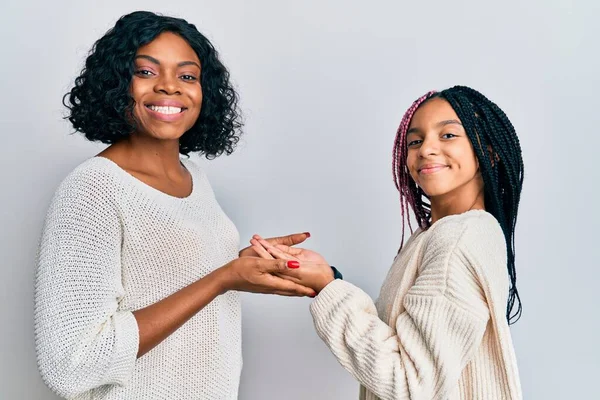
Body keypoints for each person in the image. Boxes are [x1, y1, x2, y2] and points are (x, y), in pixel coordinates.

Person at [34, 11, 314, 400]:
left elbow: (163, 275)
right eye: (146, 72)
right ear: (117, 84)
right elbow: (72, 364)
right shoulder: (92, 189)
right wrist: (224, 278)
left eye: (187, 76)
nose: (169, 87)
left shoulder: (193, 176)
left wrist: (242, 265)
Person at [251, 86, 524, 399]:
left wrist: (328, 289)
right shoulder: (435, 236)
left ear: (488, 151)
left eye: (448, 135)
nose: (426, 149)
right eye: (415, 141)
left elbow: (410, 384)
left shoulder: (458, 239)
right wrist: (331, 278)